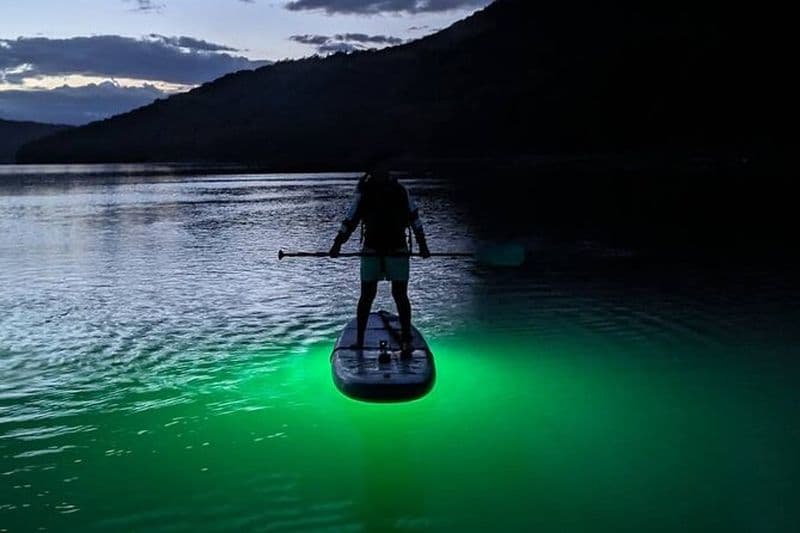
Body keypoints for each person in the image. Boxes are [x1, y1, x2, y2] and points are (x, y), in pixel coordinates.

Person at [329, 162, 430, 355]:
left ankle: (406, 340)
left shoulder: (400, 191)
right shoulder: (364, 193)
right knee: (367, 295)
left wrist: (423, 244)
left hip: (396, 249)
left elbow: (414, 218)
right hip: (373, 249)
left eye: (384, 168)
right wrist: (337, 243)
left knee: (400, 294)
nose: (382, 172)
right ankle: (359, 340)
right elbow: (351, 219)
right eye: (378, 169)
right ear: (372, 172)